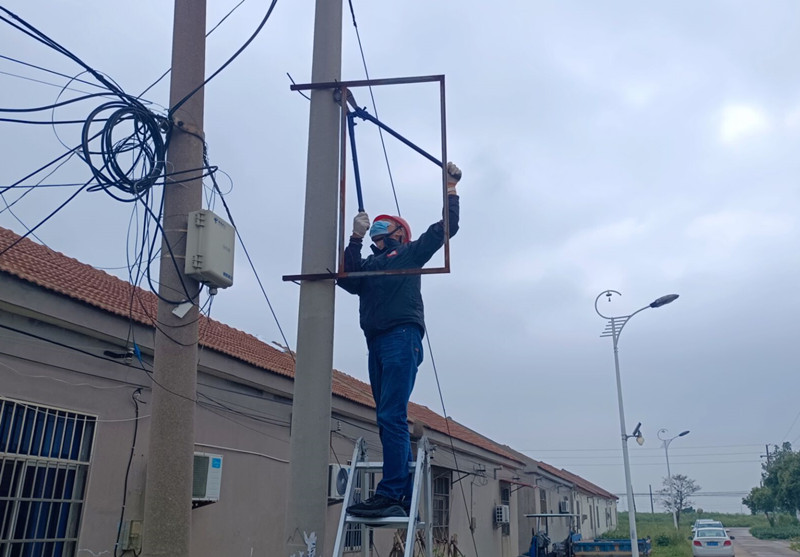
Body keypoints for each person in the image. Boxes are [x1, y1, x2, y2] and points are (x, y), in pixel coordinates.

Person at [337, 162, 462, 518]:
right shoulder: (369, 266)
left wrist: (450, 188)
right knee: (386, 417)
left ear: (400, 234)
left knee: (391, 414)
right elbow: (347, 278)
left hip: (401, 336)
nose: (376, 233)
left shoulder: (407, 254)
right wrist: (354, 238)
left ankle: (393, 493)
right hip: (377, 341)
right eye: (373, 228)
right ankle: (398, 495)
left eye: (382, 227)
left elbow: (447, 228)